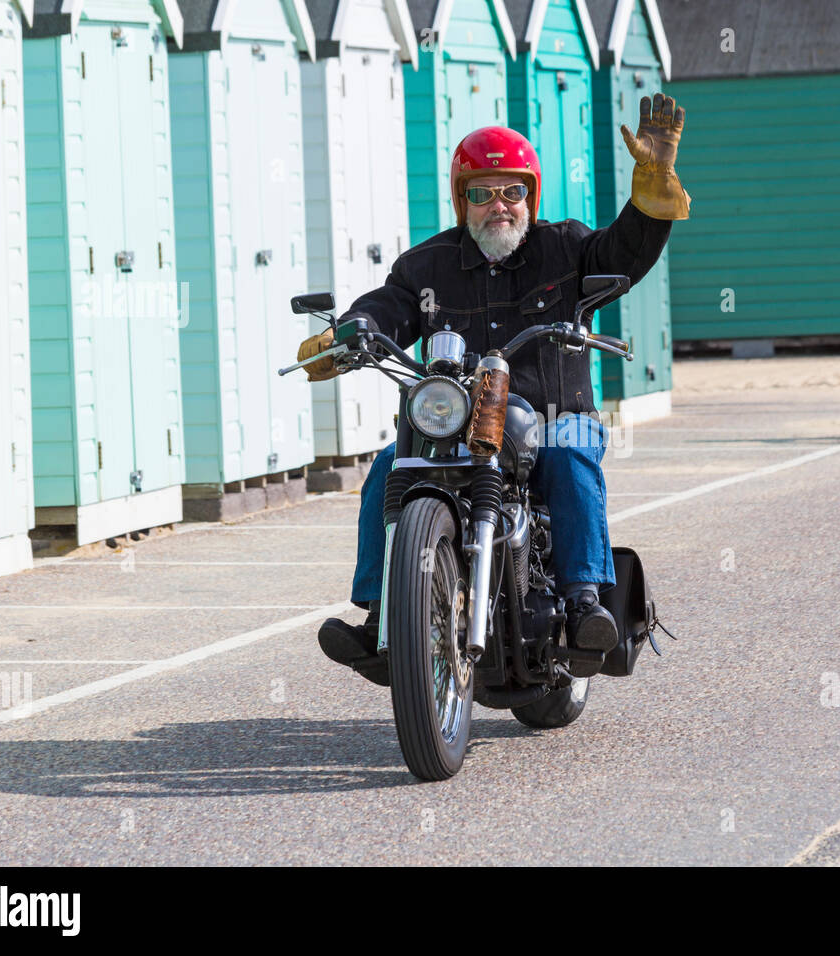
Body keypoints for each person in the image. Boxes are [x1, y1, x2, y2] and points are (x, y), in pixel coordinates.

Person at [295, 93, 691, 685]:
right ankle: (381, 613)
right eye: (481, 192)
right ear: (463, 200)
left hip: (555, 413)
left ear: (529, 195)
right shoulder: (424, 267)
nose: (497, 205)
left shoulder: (566, 247)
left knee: (570, 456)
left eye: (510, 191)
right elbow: (389, 307)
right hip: (458, 424)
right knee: (387, 467)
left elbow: (621, 256)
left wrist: (652, 196)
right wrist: (353, 332)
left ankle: (584, 603)